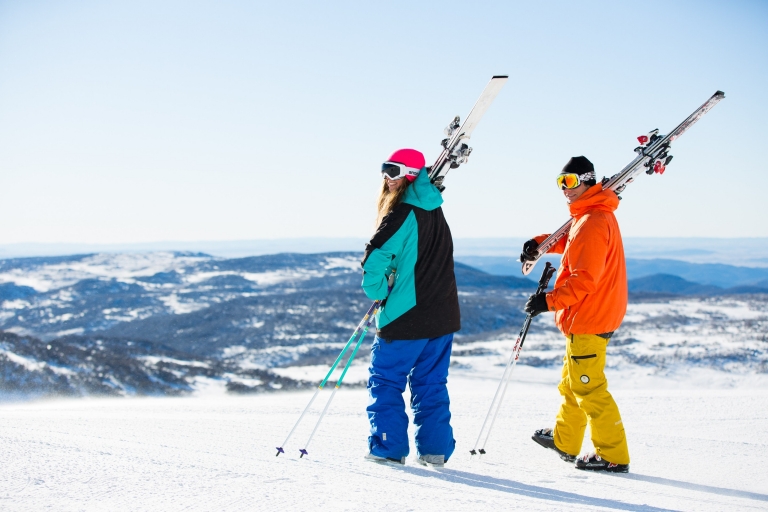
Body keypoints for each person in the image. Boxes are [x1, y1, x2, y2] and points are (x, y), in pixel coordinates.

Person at [521, 156, 630, 473]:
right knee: (572, 384)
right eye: (560, 183)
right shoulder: (590, 217)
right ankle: (565, 441)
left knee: (588, 387)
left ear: (587, 180)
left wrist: (549, 302)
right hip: (590, 315)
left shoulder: (594, 220)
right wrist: (538, 244)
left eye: (569, 182)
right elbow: (572, 243)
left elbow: (584, 279)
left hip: (591, 317)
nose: (564, 190)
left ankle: (613, 454)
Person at [360, 148, 460, 467]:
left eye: (393, 170)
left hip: (406, 317)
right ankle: (435, 450)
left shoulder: (402, 212)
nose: (387, 178)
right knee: (430, 383)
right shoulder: (432, 207)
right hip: (442, 315)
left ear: (410, 175)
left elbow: (374, 258)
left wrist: (379, 291)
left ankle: (388, 448)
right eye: (384, 171)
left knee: (386, 380)